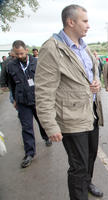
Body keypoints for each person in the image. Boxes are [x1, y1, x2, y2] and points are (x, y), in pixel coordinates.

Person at [35, 4, 104, 199]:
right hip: (71, 119)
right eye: (85, 21)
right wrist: (50, 125)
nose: (88, 25)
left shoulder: (84, 46)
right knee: (78, 166)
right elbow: (44, 92)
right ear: (70, 22)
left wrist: (96, 80)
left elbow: (93, 69)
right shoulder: (51, 49)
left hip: (91, 112)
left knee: (90, 158)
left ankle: (87, 183)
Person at [6, 40, 52, 168]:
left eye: (21, 53)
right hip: (22, 101)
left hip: (37, 99)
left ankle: (46, 136)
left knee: (42, 121)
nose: (19, 56)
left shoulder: (37, 63)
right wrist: (14, 99)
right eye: (17, 54)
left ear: (26, 50)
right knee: (26, 128)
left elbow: (46, 80)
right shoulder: (11, 66)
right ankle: (29, 153)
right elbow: (11, 84)